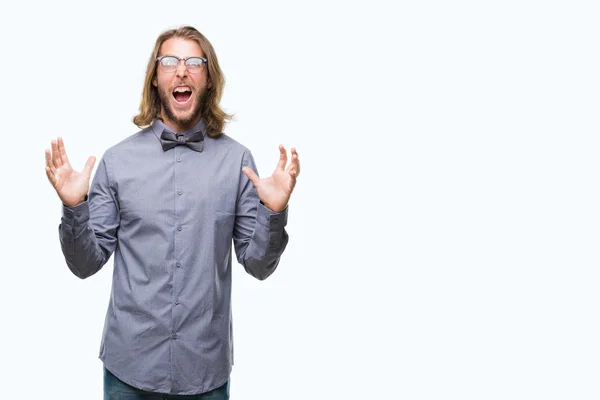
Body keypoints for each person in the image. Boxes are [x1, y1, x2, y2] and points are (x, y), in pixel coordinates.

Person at [44, 25, 300, 399]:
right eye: (170, 61)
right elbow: (85, 265)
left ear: (209, 79)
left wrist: (273, 213)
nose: (182, 70)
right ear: (155, 79)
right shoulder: (117, 162)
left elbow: (259, 265)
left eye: (194, 62)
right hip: (128, 369)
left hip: (205, 372)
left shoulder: (237, 162)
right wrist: (74, 208)